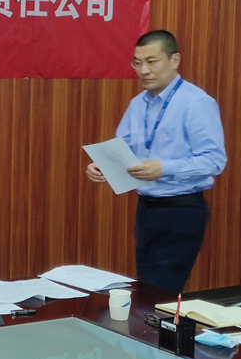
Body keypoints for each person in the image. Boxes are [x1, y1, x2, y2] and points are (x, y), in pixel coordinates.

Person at [86, 30, 226, 293]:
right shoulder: (138, 104)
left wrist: (164, 168)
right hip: (147, 210)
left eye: (152, 62)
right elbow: (122, 148)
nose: (144, 70)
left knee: (159, 293)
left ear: (174, 60)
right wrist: (102, 165)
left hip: (181, 211)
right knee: (148, 289)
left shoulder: (196, 103)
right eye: (137, 63)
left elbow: (214, 160)